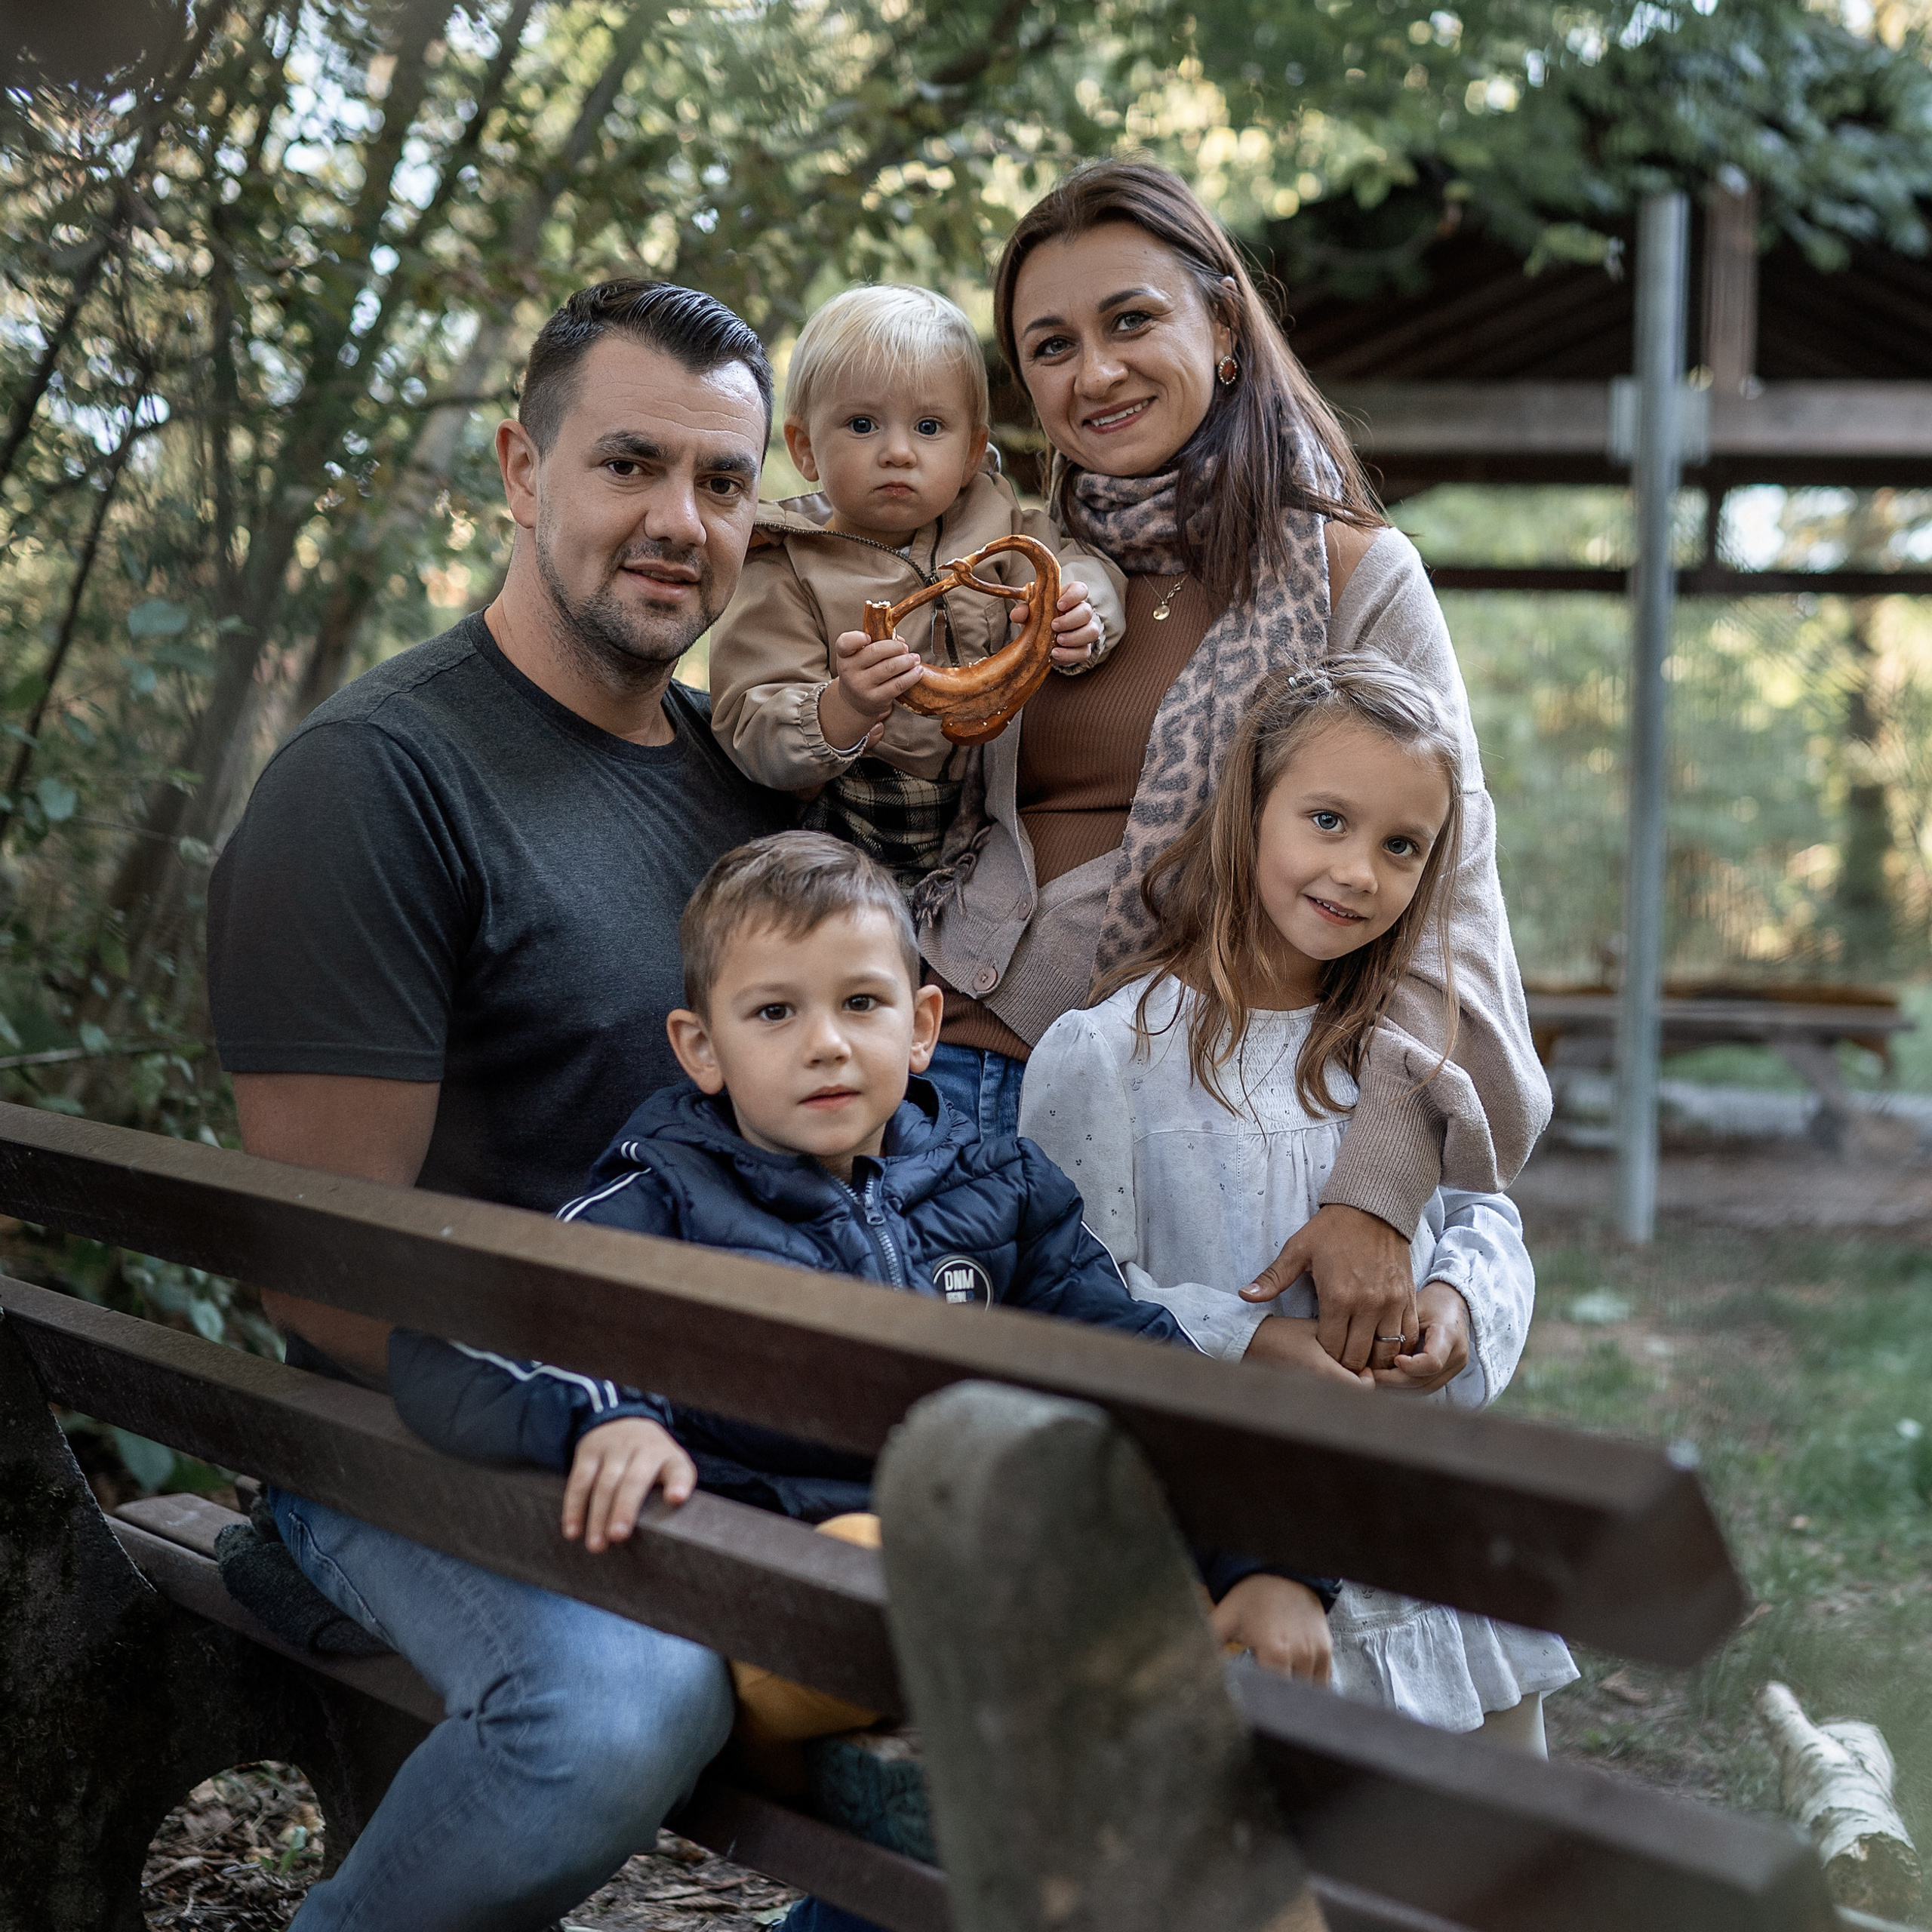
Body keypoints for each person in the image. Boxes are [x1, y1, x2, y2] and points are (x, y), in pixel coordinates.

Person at [386, 831, 1340, 1932]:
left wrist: (1272, 1564)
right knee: (1048, 1651)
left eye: (861, 1004)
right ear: (702, 1049)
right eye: (775, 1014)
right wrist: (610, 1416)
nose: (827, 1045)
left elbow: (1141, 1372)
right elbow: (453, 1335)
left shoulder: (1001, 1191)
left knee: (1152, 1702)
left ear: (923, 1025)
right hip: (777, 1612)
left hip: (965, 1621)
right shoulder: (660, 1202)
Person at [205, 280, 793, 1931]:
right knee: (622, 1708)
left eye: (726, 482)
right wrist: (592, 1416)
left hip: (707, 1429)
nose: (680, 520)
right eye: (629, 464)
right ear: (523, 475)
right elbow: (328, 1279)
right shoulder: (375, 783)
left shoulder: (743, 786)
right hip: (412, 1438)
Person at [912, 159, 1552, 1383]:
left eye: (1130, 321)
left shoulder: (1352, 578)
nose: (1091, 372)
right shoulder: (1002, 571)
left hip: (1179, 1113)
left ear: (1225, 327)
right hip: (945, 1087)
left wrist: (1376, 1193)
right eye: (1049, 346)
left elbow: (1448, 913)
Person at [1020, 658, 1576, 1749]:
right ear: (1249, 806)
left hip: (1417, 1524)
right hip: (1236, 1528)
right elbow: (1073, 1292)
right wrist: (1249, 1345)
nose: (1358, 872)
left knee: (1499, 1854)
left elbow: (1487, 1220)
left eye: (1400, 846)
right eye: (1327, 819)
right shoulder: (1109, 1054)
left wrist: (1462, 1304)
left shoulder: (1411, 1058)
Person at [707, 284, 1124, 889]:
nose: (898, 452)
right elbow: (751, 722)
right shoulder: (783, 567)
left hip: (1002, 805)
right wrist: (841, 708)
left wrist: (1084, 610)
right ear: (804, 449)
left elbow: (1080, 564)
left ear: (971, 451)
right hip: (859, 828)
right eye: (862, 424)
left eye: (929, 427)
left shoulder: (1000, 523)